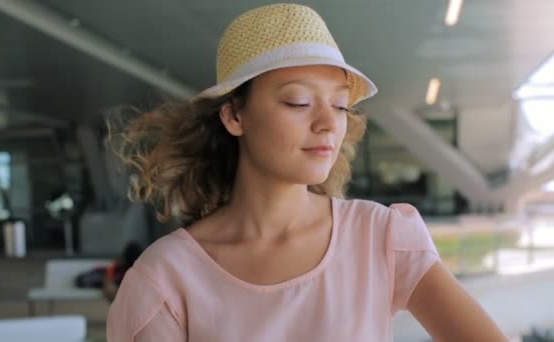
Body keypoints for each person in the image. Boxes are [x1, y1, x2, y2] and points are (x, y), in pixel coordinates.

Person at [107, 3, 507, 341]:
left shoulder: (381, 237)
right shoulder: (165, 282)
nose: (328, 124)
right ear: (233, 115)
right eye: (298, 102)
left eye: (339, 105)